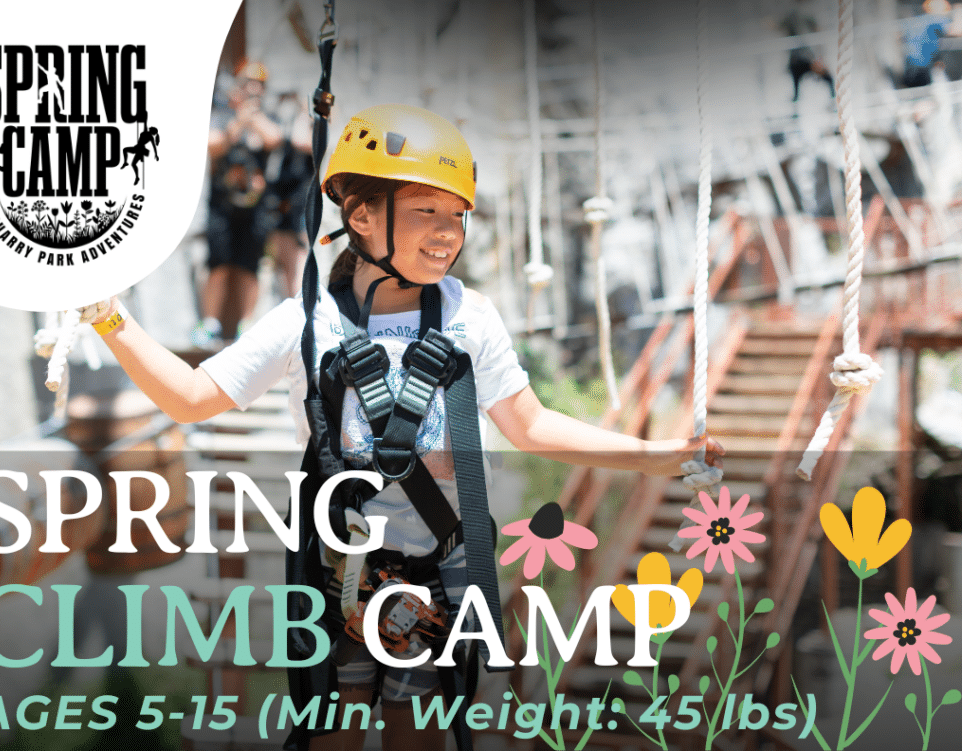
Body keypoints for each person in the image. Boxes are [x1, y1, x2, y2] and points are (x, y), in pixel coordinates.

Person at [84, 104, 723, 751]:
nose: (448, 232)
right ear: (361, 215)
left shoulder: (469, 317)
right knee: (335, 727)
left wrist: (648, 455)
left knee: (413, 733)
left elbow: (528, 423)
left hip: (433, 571)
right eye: (426, 212)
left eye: (456, 216)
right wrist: (112, 321)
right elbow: (194, 397)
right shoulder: (308, 323)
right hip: (342, 574)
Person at [191, 61, 283, 349]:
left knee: (249, 266)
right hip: (222, 204)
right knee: (218, 264)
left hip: (255, 207)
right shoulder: (222, 114)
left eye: (259, 85)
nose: (254, 89)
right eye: (249, 84)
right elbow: (214, 144)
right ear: (239, 87)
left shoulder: (268, 116)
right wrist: (240, 120)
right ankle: (210, 324)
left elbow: (275, 140)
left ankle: (246, 325)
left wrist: (253, 118)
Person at [262, 90, 314, 300]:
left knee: (297, 263)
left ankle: (300, 310)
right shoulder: (284, 128)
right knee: (279, 265)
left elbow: (298, 139)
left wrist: (304, 110)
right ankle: (287, 307)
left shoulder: (315, 132)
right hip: (279, 203)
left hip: (300, 207)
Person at [779, 0, 836, 103]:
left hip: (807, 58)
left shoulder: (804, 15)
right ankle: (796, 99)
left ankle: (833, 97)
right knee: (797, 77)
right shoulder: (795, 16)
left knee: (826, 77)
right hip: (801, 59)